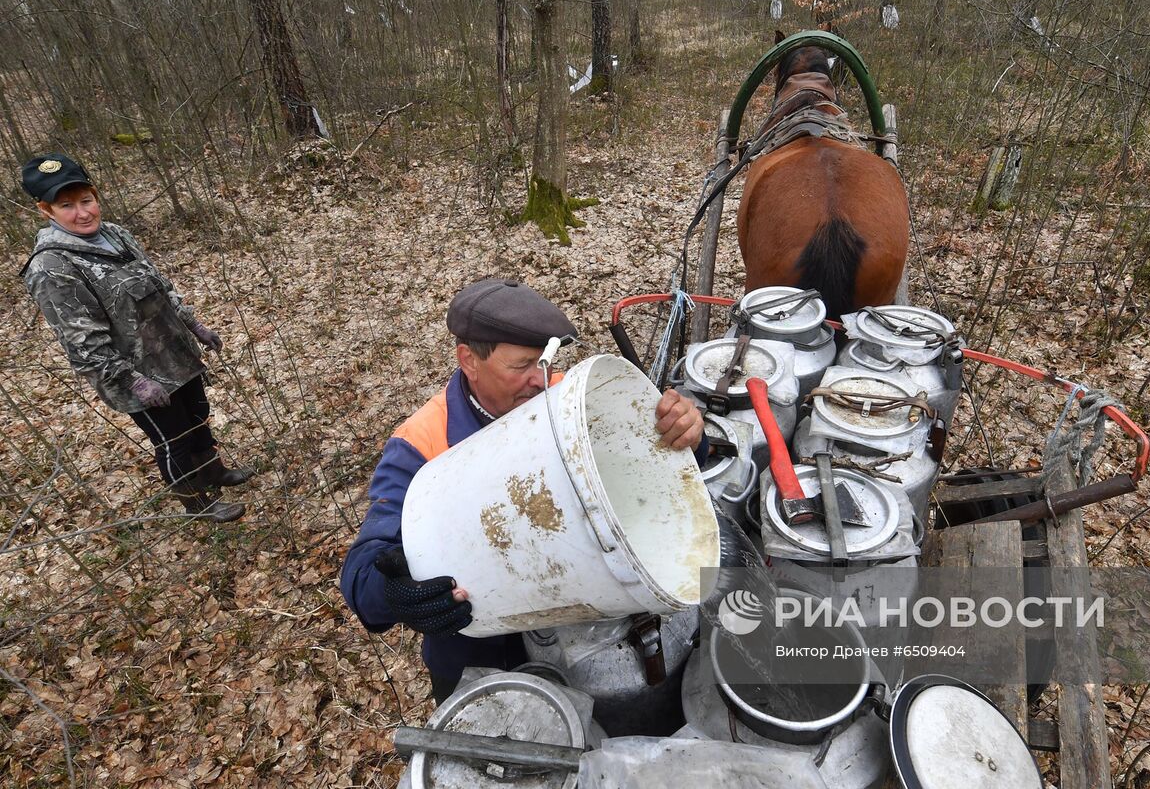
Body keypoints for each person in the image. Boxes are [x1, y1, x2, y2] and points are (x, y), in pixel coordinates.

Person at [340, 278, 706, 704]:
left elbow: (651, 473)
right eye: (521, 366)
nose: (538, 380)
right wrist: (398, 593)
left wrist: (687, 436)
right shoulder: (422, 444)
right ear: (469, 360)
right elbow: (362, 574)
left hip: (578, 639)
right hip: (482, 663)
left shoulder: (569, 398)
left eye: (543, 362)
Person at [19, 153, 249, 522]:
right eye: (67, 206)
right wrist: (134, 381)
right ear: (46, 210)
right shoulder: (52, 266)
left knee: (198, 417)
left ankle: (213, 471)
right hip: (134, 374)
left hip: (174, 352)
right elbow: (82, 341)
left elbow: (160, 286)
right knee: (173, 438)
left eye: (86, 200)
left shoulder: (115, 234)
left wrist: (194, 326)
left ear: (95, 196)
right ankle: (196, 503)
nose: (82, 213)